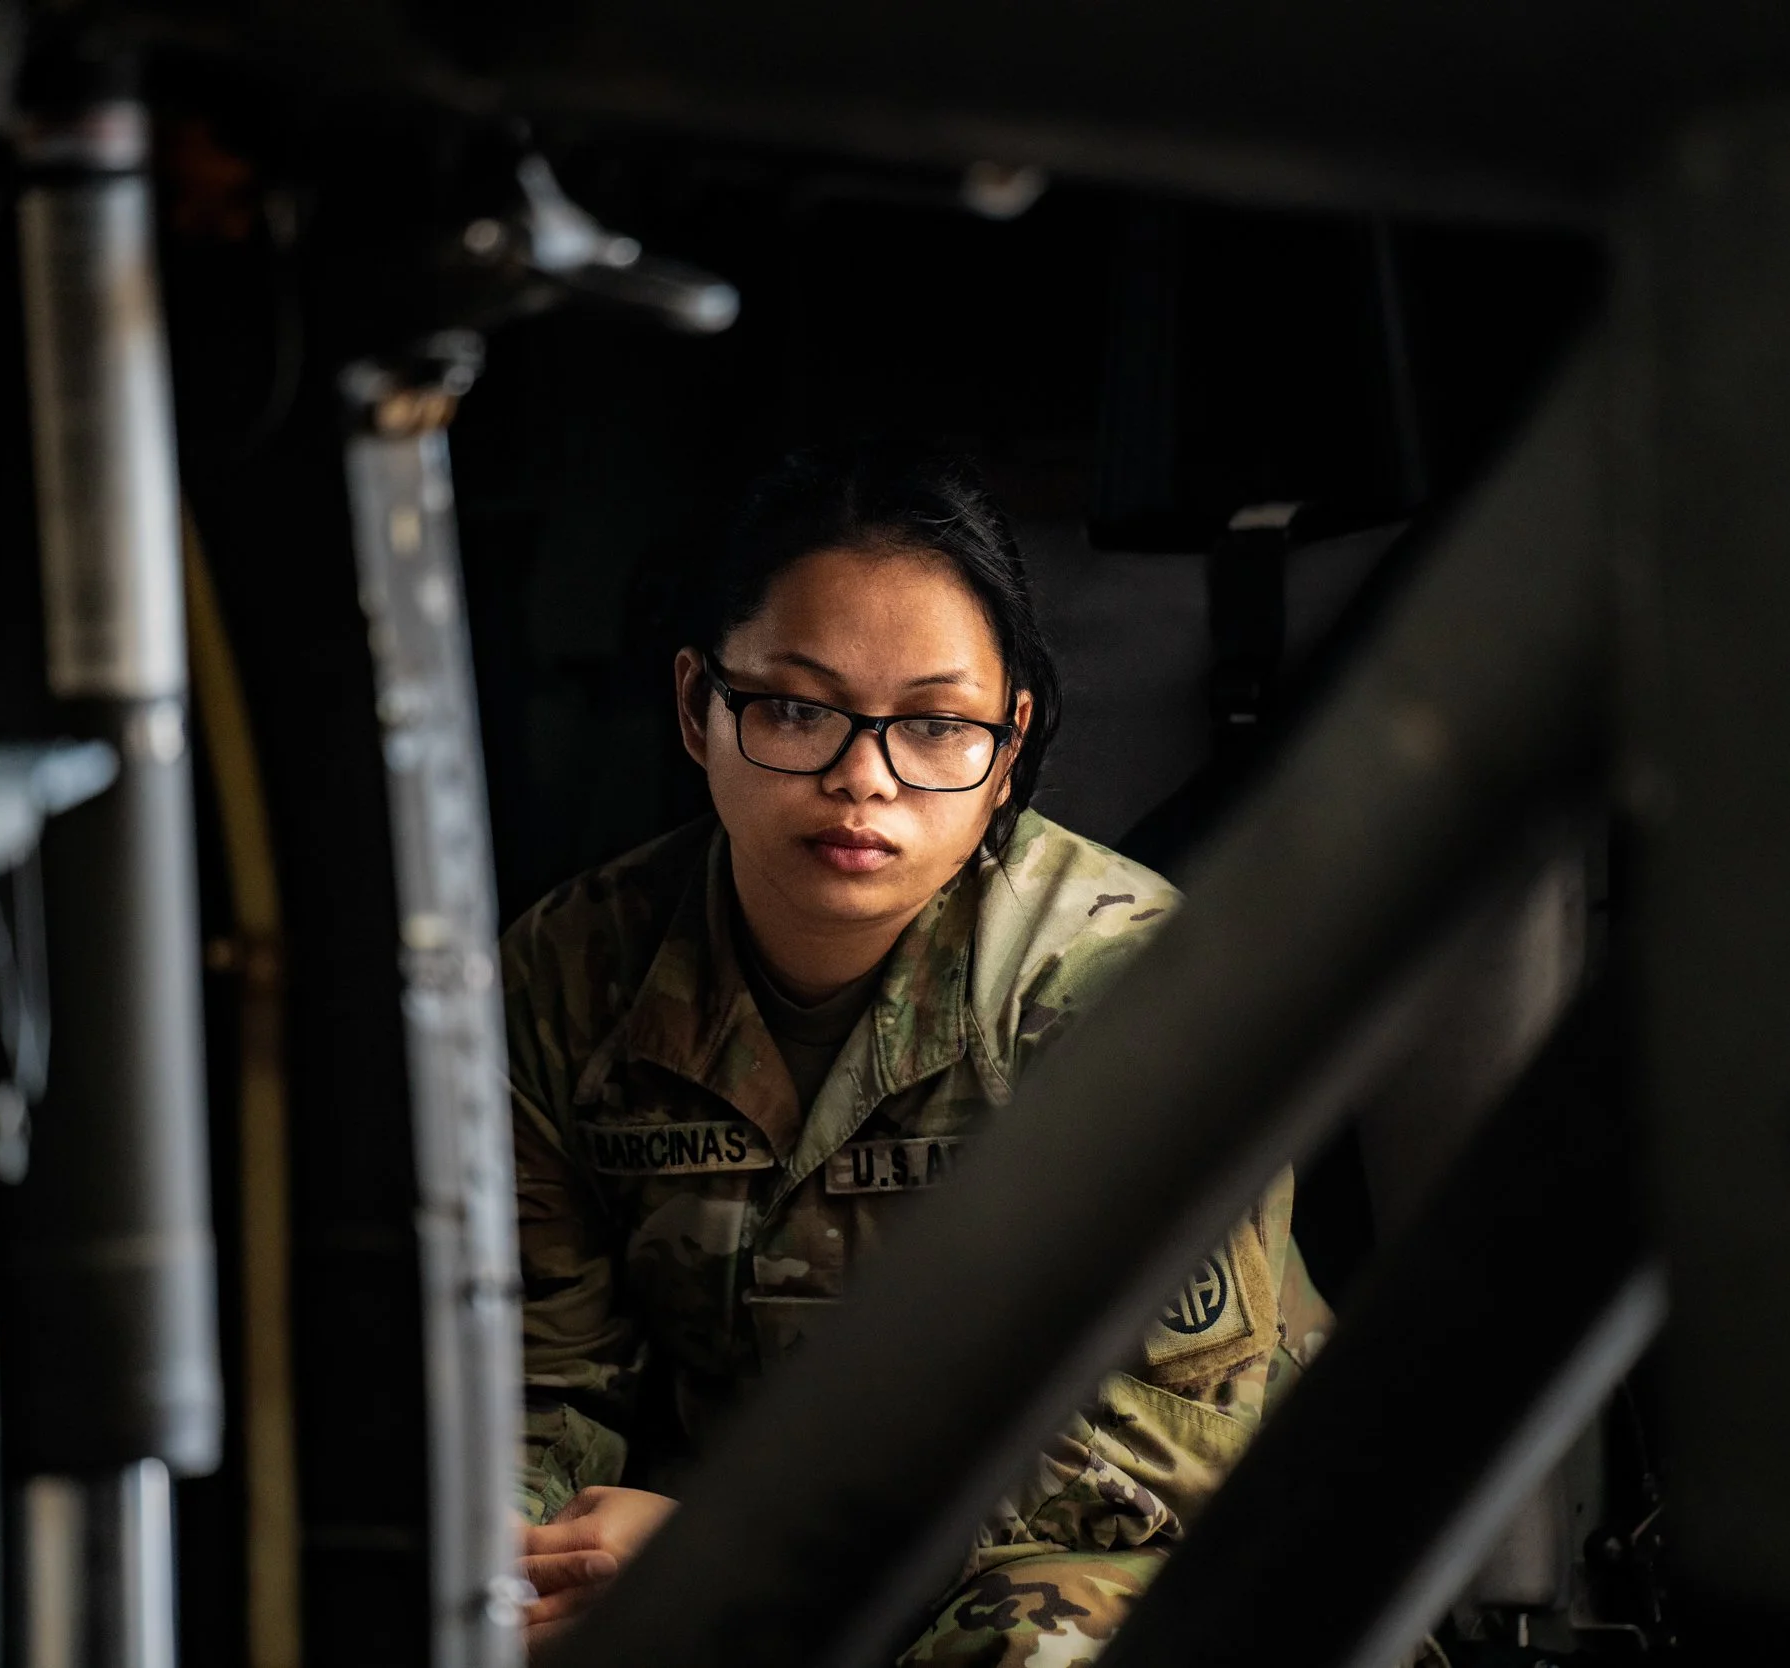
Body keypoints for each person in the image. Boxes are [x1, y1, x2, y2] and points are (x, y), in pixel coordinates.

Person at [502, 440, 1332, 1666]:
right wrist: (511, 1561)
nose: (862, 781)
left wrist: (741, 1550)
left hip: (1143, 1574)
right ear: (696, 709)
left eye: (936, 726)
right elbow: (541, 1387)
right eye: (797, 710)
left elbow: (1147, 1467)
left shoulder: (1133, 991)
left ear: (1009, 746)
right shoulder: (571, 976)